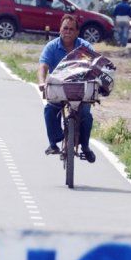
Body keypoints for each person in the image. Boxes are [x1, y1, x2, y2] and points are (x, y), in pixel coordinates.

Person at [37, 14, 96, 163]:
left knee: (86, 116)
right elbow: (42, 66)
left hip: (79, 90)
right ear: (60, 30)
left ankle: (85, 146)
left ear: (77, 32)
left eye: (71, 29)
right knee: (50, 110)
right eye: (65, 28)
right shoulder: (51, 47)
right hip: (58, 89)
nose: (67, 32)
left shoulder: (85, 47)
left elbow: (95, 65)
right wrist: (42, 82)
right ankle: (53, 143)